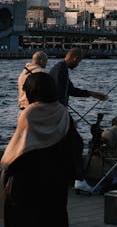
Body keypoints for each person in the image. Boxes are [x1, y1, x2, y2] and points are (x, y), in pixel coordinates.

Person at [1, 72, 80, 227]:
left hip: (27, 181)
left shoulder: (30, 113)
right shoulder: (64, 113)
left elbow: (19, 148)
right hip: (56, 180)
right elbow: (74, 145)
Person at [49, 47, 108, 192]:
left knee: (67, 146)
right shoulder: (60, 70)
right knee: (77, 143)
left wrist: (92, 94)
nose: (78, 64)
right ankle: (78, 180)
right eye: (79, 61)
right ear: (74, 58)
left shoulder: (61, 69)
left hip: (57, 114)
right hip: (58, 115)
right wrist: (68, 118)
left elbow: (70, 90)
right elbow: (58, 97)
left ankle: (68, 178)